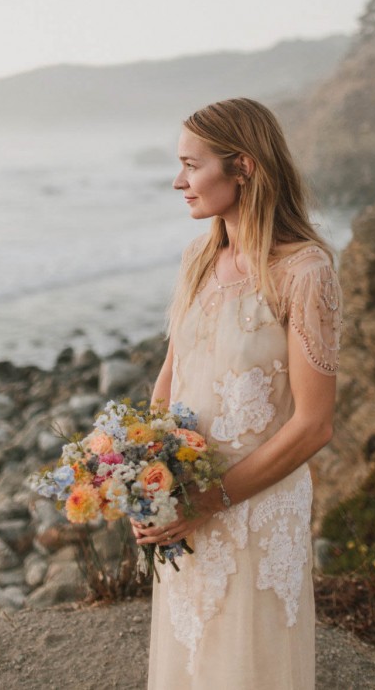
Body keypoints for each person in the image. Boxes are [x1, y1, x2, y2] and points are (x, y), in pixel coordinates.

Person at [132, 98, 342, 690]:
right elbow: (171, 376)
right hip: (186, 510)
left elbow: (314, 425)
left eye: (191, 165)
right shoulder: (196, 258)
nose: (179, 182)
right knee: (189, 664)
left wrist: (211, 501)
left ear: (242, 167)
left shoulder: (305, 271)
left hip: (254, 512)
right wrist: (150, 486)